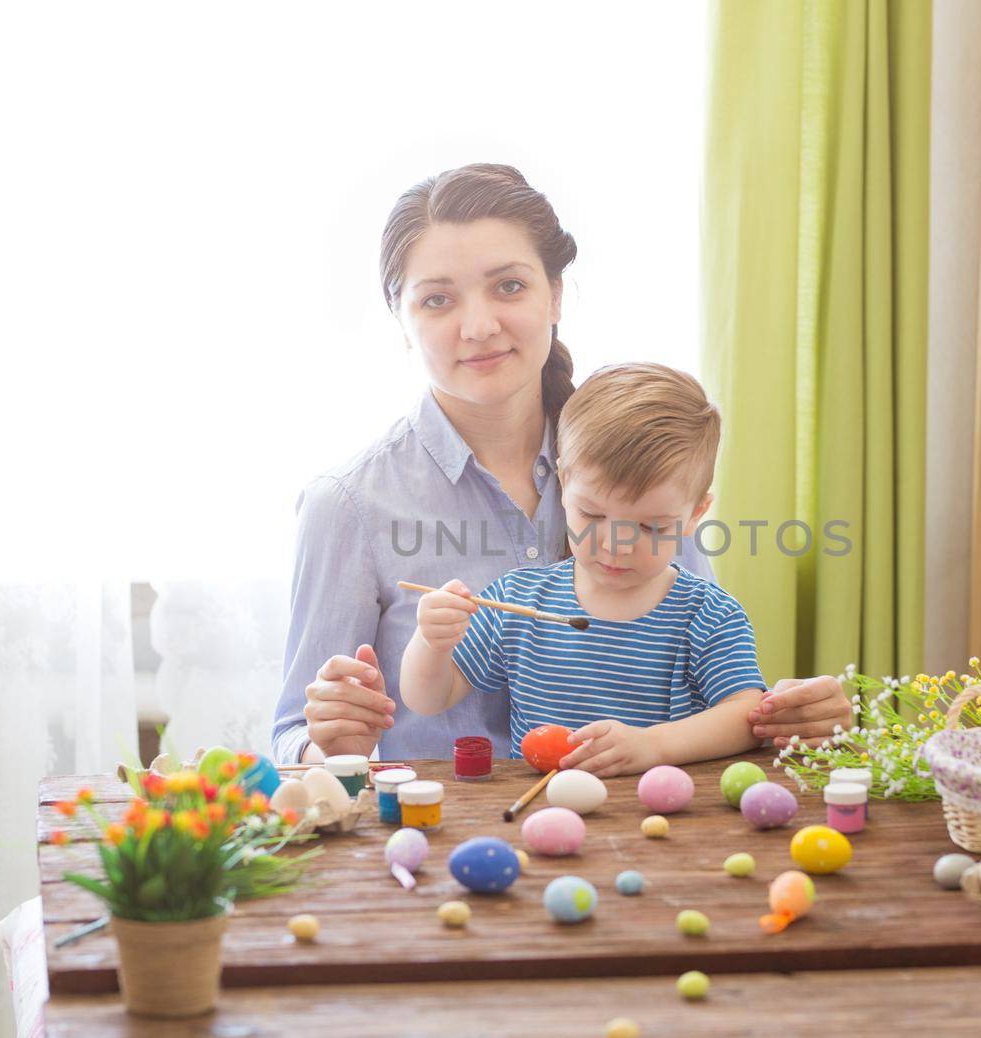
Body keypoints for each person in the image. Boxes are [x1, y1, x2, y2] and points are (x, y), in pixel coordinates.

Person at [271, 163, 853, 765]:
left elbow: (702, 669)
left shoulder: (644, 457)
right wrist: (327, 745)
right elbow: (292, 735)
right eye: (438, 299)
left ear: (555, 296)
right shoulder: (346, 505)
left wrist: (787, 716)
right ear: (402, 318)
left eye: (509, 286)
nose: (478, 326)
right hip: (450, 837)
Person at [402, 363, 764, 777]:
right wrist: (431, 642)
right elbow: (429, 699)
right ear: (563, 482)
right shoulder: (516, 600)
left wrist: (653, 745)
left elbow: (746, 713)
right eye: (592, 514)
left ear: (696, 513)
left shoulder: (708, 615)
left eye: (650, 526)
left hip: (668, 819)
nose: (615, 544)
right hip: (542, 815)